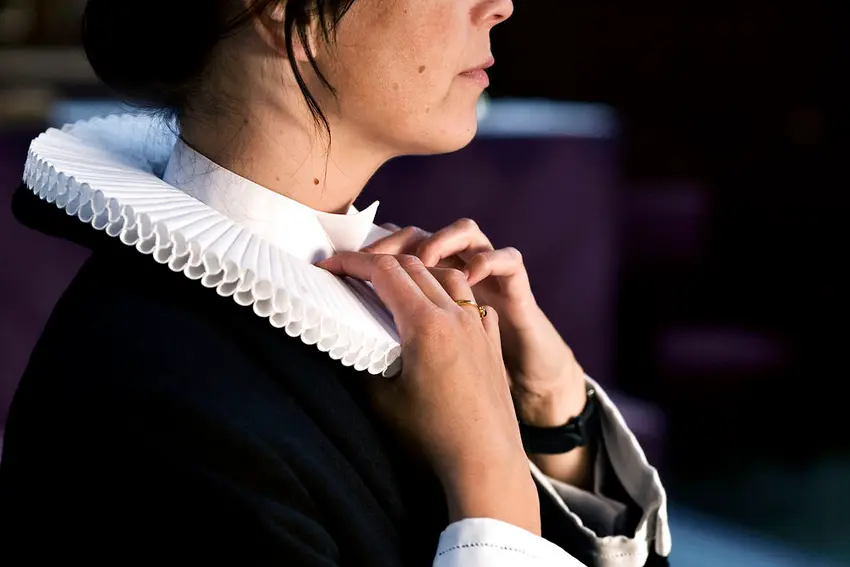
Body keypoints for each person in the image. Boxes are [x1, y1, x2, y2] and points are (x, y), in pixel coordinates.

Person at [0, 1, 670, 565]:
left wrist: (552, 411)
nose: (499, 5)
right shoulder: (149, 402)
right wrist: (489, 475)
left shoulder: (369, 312)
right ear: (277, 12)